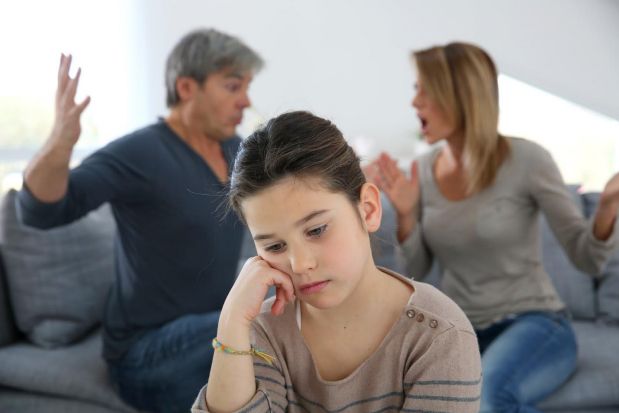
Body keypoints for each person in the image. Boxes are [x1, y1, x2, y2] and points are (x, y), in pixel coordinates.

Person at [17, 28, 263, 413]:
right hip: (146, 352)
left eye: (246, 87)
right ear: (186, 87)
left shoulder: (235, 150)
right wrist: (60, 141)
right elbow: (38, 211)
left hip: (209, 329)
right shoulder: (140, 153)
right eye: (233, 87)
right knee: (262, 328)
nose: (246, 101)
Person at [365, 42, 619, 413]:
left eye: (424, 89)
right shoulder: (425, 169)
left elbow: (588, 259)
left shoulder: (528, 160)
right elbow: (418, 273)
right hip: (461, 331)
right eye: (414, 90)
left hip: (535, 324)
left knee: (489, 399)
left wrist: (608, 207)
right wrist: (405, 215)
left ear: (459, 95)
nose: (414, 102)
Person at [191, 111, 482, 413]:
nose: (300, 264)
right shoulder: (263, 330)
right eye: (275, 246)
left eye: (316, 230)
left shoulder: (439, 336)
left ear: (368, 210)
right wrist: (231, 321)